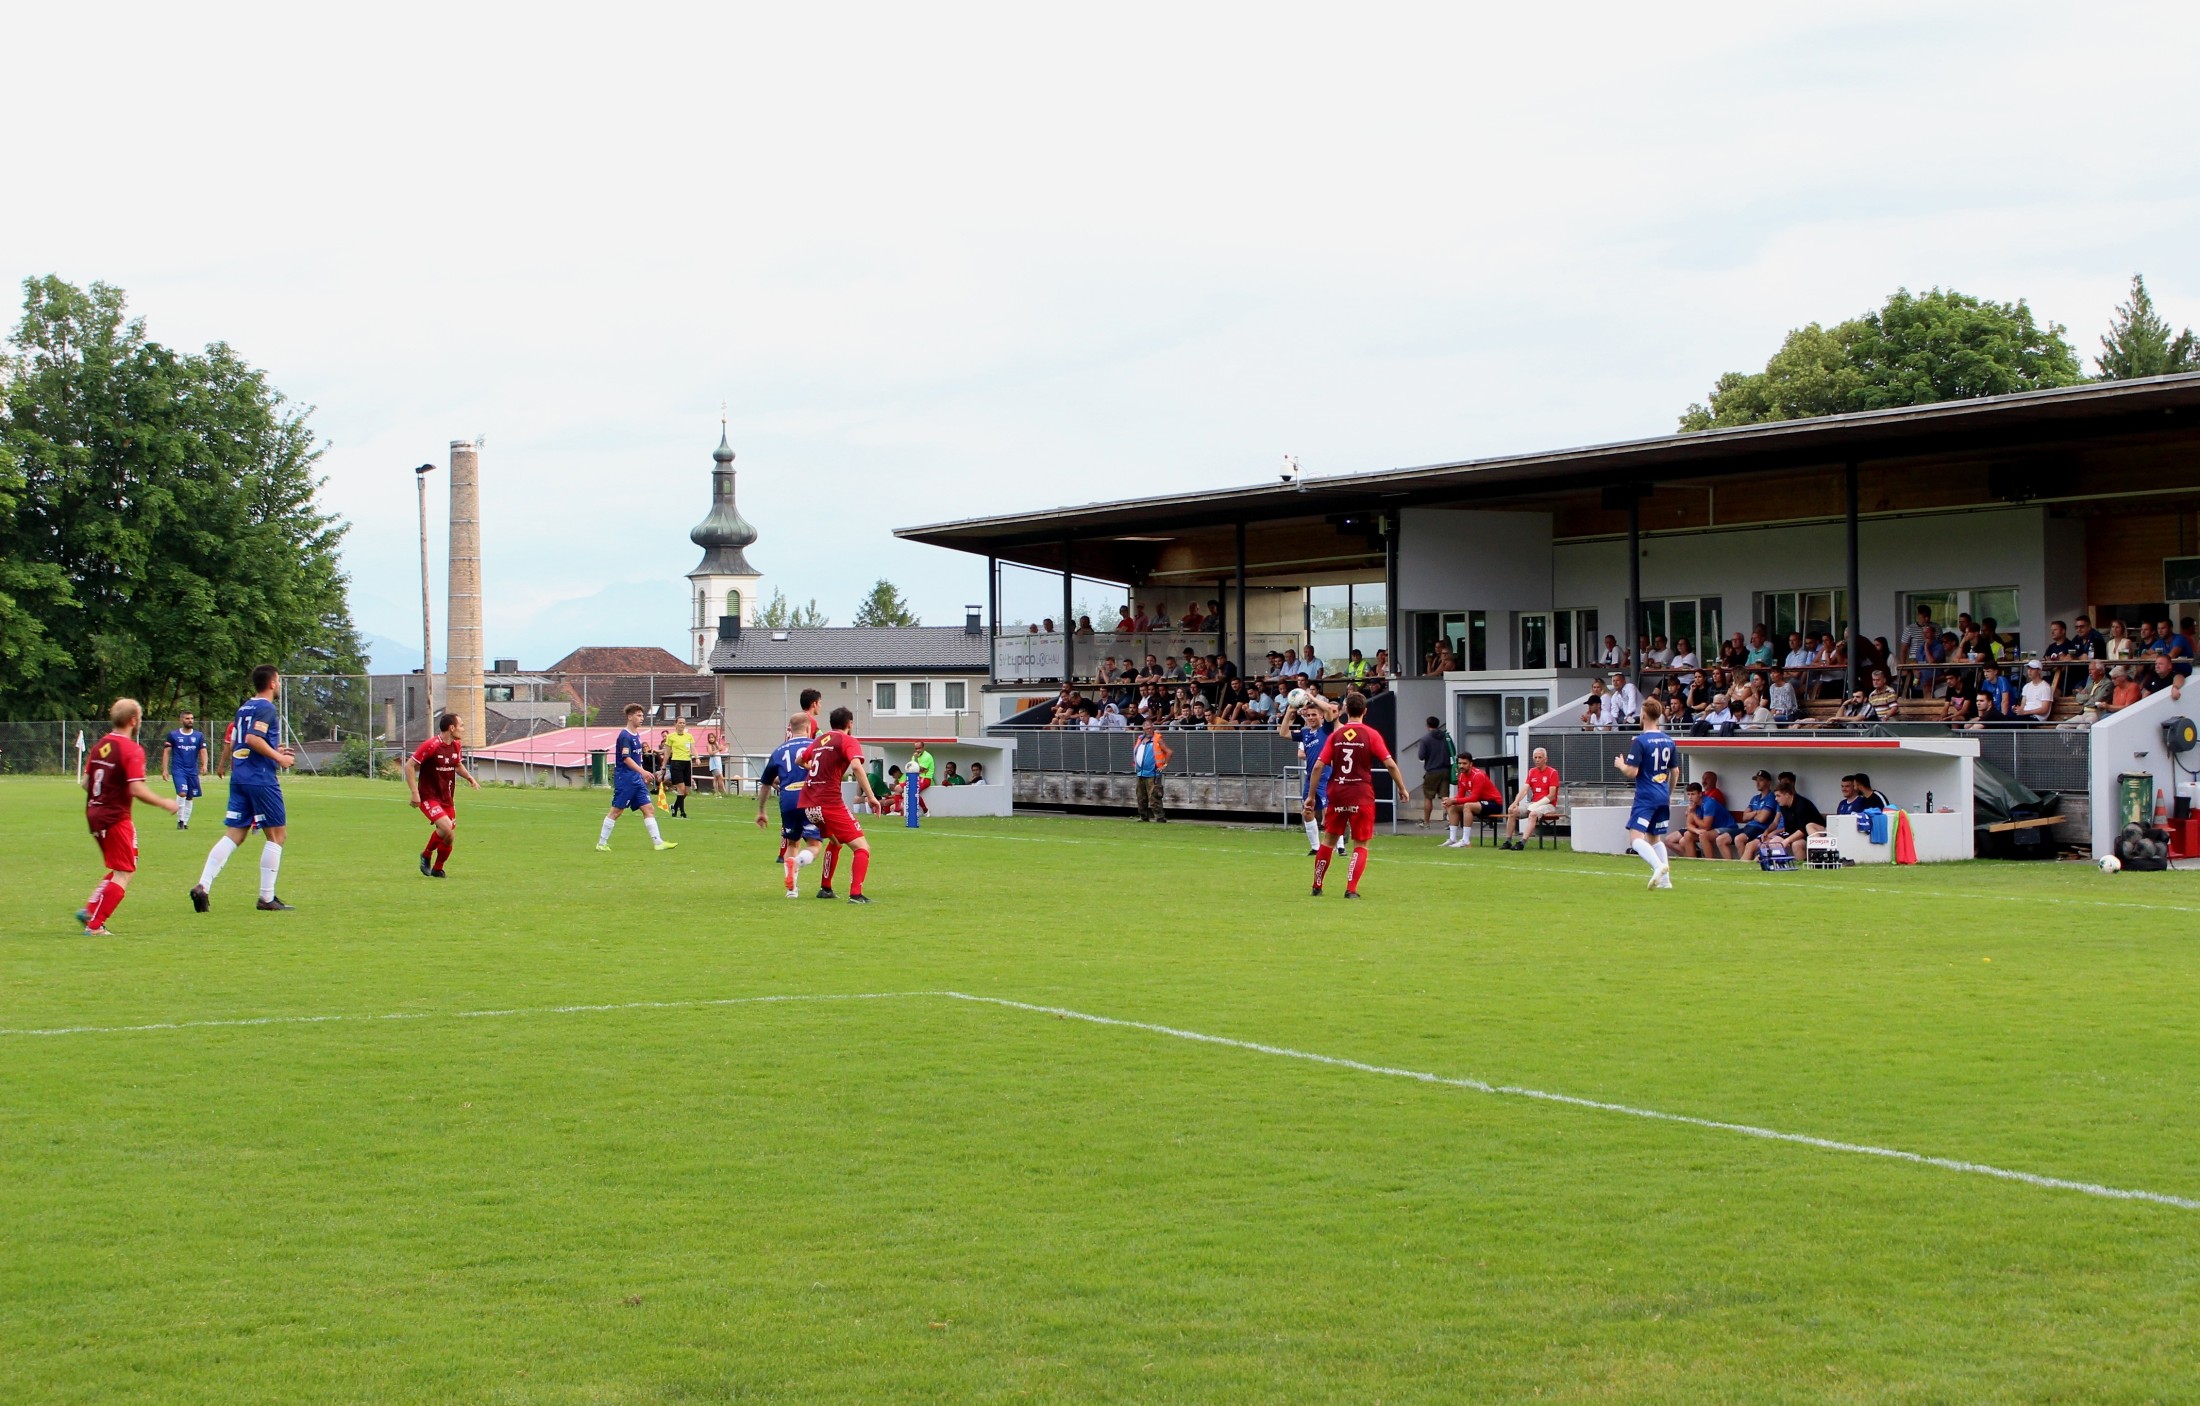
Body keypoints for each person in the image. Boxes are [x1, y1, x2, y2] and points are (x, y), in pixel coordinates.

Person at [190, 665, 298, 914]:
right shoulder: (266, 707)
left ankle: (203, 885)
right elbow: (252, 739)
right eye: (278, 680)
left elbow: (246, 742)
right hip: (259, 779)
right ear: (272, 683)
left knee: (235, 834)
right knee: (277, 836)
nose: (279, 685)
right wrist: (279, 759)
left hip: (240, 776)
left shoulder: (244, 707)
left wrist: (273, 751)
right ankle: (266, 898)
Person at [77, 698, 181, 935]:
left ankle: (91, 909)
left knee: (120, 865)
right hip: (115, 817)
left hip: (94, 813)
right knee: (125, 871)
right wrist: (164, 802)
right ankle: (95, 925)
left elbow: (85, 783)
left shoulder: (100, 745)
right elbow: (136, 789)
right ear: (134, 720)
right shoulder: (130, 749)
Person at [1305, 690, 1408, 898]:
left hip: (1338, 793)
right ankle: (1351, 889)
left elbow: (1317, 767)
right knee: (1360, 843)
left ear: (1345, 710)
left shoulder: (1335, 735)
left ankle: (1317, 884)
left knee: (1329, 840)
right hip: (1361, 794)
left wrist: (1311, 795)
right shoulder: (1371, 734)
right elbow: (1389, 763)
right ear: (1365, 711)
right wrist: (1402, 787)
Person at [798, 706, 882, 902]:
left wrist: (815, 770)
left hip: (809, 804)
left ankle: (825, 888)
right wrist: (871, 797)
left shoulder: (820, 740)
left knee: (835, 842)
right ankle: (855, 894)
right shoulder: (847, 740)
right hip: (829, 802)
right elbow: (856, 766)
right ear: (850, 724)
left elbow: (799, 760)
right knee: (862, 848)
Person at [403, 710, 479, 878]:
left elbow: (457, 764)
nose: (463, 729)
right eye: (461, 726)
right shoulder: (431, 745)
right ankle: (426, 854)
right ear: (451, 728)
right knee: (446, 829)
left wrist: (469, 778)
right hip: (429, 796)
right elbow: (409, 766)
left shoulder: (456, 746)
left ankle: (438, 868)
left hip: (447, 798)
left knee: (448, 836)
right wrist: (414, 793)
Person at [757, 713, 824, 896]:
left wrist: (762, 811)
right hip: (809, 798)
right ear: (809, 728)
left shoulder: (779, 751)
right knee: (815, 844)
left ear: (790, 729)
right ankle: (799, 861)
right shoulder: (815, 747)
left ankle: (792, 890)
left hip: (787, 800)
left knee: (792, 843)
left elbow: (765, 784)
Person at [595, 703, 677, 853]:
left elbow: (635, 757)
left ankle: (658, 842)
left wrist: (640, 774)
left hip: (636, 779)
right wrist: (643, 771)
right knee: (616, 811)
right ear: (629, 717)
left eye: (642, 715)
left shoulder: (636, 735)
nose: (642, 718)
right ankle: (601, 843)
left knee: (649, 809)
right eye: (638, 715)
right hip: (625, 779)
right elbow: (626, 759)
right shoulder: (625, 736)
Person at [1614, 695, 1676, 888]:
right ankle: (1666, 881)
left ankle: (1658, 867)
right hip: (1662, 794)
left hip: (1646, 796)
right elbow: (1675, 771)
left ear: (1643, 715)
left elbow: (1632, 772)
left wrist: (1621, 765)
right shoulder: (1668, 740)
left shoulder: (1640, 741)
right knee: (1655, 837)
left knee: (1635, 838)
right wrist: (1669, 793)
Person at [1281, 693, 1340, 855]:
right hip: (1310, 777)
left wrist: (1311, 698)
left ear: (1321, 716)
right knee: (1307, 811)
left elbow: (1328, 708)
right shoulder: (1305, 733)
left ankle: (1336, 846)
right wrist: (1290, 711)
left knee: (1328, 812)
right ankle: (1315, 847)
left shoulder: (1326, 729)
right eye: (1308, 715)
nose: (1311, 718)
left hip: (1325, 775)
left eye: (1314, 715)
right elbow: (1283, 733)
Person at [1500, 747, 1561, 850]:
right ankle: (1508, 841)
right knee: (1512, 811)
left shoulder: (1552, 773)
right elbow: (1524, 789)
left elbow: (1551, 795)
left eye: (1540, 757)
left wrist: (1535, 806)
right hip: (1533, 802)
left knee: (1533, 814)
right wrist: (1515, 802)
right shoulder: (1532, 772)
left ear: (1545, 759)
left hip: (1548, 805)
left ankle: (1522, 842)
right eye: (1535, 757)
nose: (1537, 760)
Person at [1441, 752, 1504, 848]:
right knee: (1452, 806)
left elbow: (1474, 797)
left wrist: (1454, 800)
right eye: (1460, 763)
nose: (1461, 766)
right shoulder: (1461, 776)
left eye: (1464, 763)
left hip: (1494, 803)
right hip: (1479, 803)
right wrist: (1450, 800)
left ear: (1471, 764)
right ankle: (1452, 839)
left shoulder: (1478, 775)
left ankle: (1465, 840)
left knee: (1467, 806)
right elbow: (1460, 795)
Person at [160, 710, 210, 830]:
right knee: (182, 793)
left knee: (190, 796)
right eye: (187, 718)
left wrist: (204, 765)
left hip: (192, 771)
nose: (190, 720)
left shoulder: (198, 736)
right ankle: (180, 820)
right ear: (181, 720)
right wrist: (164, 769)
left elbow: (203, 751)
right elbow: (166, 752)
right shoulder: (173, 735)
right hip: (178, 770)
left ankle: (185, 822)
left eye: (192, 718)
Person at [1671, 781, 1738, 861]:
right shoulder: (1693, 804)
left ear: (1700, 794)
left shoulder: (1708, 803)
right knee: (1687, 834)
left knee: (1703, 835)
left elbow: (1706, 826)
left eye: (1693, 794)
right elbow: (1689, 825)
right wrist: (1696, 830)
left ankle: (1709, 861)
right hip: (1713, 830)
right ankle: (1692, 862)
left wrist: (1693, 814)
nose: (1690, 797)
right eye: (1688, 794)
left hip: (1728, 828)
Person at [1413, 715, 1452, 824]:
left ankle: (1426, 822)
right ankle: (1452, 822)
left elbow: (1421, 756)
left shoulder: (1425, 739)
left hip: (1432, 771)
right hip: (1445, 770)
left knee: (1428, 797)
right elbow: (1451, 751)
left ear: (1427, 725)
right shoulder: (1446, 737)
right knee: (1445, 798)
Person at [1132, 720, 1171, 822]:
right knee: (1141, 797)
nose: (1148, 730)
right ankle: (1143, 817)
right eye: (1146, 729)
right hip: (1140, 772)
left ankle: (1160, 817)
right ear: (1143, 730)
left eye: (1150, 728)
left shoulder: (1157, 739)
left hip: (1153, 773)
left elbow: (1169, 752)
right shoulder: (1140, 739)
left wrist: (1164, 765)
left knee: (1154, 796)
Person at [661, 718, 696, 817]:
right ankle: (682, 812)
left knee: (687, 790)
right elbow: (667, 752)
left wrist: (696, 757)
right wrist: (663, 766)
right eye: (680, 723)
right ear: (675, 724)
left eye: (684, 723)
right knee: (681, 787)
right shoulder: (671, 737)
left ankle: (675, 806)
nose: (682, 725)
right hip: (676, 763)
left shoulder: (689, 736)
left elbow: (693, 747)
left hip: (687, 763)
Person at [909, 741, 936, 815]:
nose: (917, 750)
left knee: (913, 791)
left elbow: (919, 769)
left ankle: (925, 810)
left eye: (919, 748)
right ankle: (898, 811)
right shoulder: (914, 756)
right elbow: (912, 768)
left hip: (925, 778)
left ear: (923, 748)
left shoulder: (927, 756)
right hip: (916, 777)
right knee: (898, 788)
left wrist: (916, 759)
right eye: (916, 748)